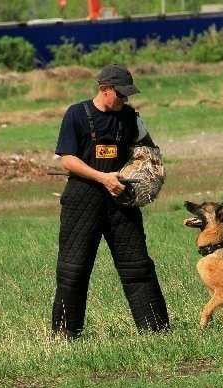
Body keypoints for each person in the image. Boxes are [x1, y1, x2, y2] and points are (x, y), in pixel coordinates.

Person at [51, 64, 170, 340]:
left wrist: (146, 178)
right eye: (120, 94)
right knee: (74, 269)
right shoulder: (76, 115)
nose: (125, 100)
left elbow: (149, 154)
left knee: (137, 267)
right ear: (104, 90)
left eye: (128, 95)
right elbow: (68, 160)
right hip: (83, 200)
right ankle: (65, 334)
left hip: (121, 200)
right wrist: (103, 177)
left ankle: (156, 331)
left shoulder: (130, 118)